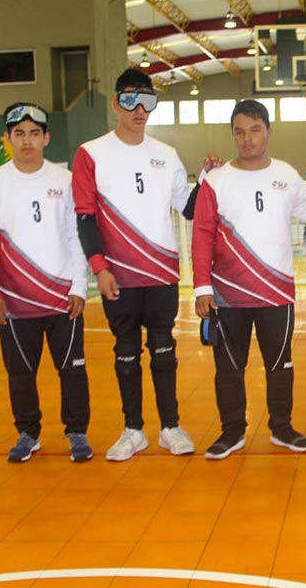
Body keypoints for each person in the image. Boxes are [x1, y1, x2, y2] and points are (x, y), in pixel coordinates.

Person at [73, 68, 195, 461]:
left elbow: (190, 207)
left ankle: (171, 427)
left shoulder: (167, 155)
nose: (139, 108)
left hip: (161, 273)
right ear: (115, 104)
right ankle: (133, 429)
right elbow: (85, 216)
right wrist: (99, 267)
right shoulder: (91, 153)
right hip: (118, 276)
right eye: (130, 99)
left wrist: (211, 176)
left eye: (147, 100)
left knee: (164, 350)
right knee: (125, 353)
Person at [192, 100, 306, 460]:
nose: (247, 139)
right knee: (229, 368)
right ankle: (232, 432)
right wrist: (202, 287)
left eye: (255, 130)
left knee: (281, 364)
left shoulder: (288, 175)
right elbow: (201, 234)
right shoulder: (216, 181)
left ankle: (282, 428)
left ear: (268, 132)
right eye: (240, 132)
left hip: (277, 292)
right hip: (228, 296)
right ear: (233, 135)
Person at [0, 102, 92, 463]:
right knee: (20, 373)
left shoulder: (66, 181)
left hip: (63, 300)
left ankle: (77, 433)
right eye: (19, 134)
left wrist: (79, 287)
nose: (27, 142)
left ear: (46, 138)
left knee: (73, 370)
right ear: (6, 138)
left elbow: (77, 236)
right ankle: (27, 433)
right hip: (13, 302)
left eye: (34, 134)